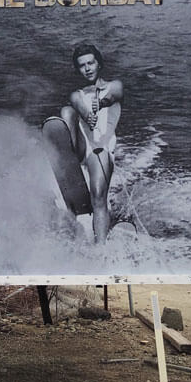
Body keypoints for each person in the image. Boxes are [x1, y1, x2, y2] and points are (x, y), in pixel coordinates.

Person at [60, 43, 122, 243]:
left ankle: (100, 248)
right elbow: (78, 104)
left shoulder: (114, 85)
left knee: (97, 195)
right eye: (82, 65)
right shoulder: (77, 94)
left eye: (90, 63)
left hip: (100, 149)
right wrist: (87, 115)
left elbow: (114, 96)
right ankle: (67, 159)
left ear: (99, 64)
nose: (87, 68)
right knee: (66, 111)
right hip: (81, 146)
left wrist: (102, 103)